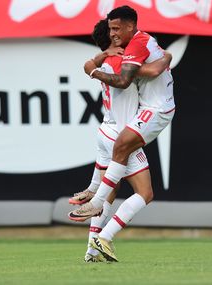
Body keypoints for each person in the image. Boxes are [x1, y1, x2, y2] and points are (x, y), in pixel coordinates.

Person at [68, 6, 175, 261]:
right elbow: (145, 72)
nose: (115, 34)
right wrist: (165, 59)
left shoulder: (110, 57)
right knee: (144, 193)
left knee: (110, 190)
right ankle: (103, 234)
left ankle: (92, 249)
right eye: (112, 31)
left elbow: (90, 64)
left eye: (117, 29)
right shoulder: (121, 59)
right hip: (119, 131)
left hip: (106, 130)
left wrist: (95, 63)